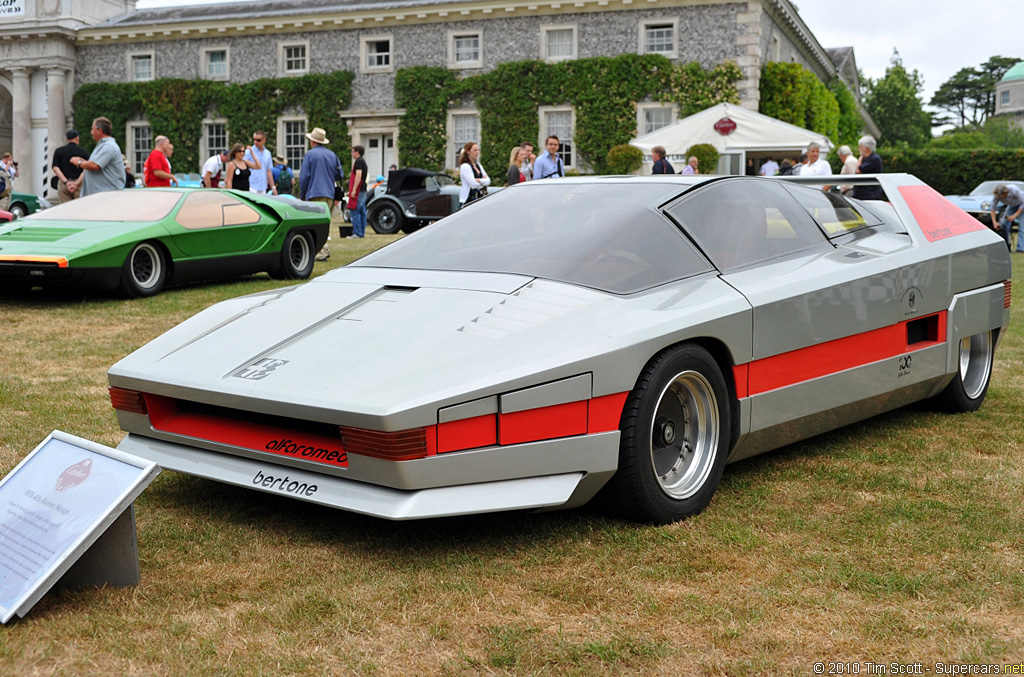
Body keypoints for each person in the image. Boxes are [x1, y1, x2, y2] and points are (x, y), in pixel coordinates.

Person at [298, 127, 344, 259]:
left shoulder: (310, 155)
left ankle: (321, 252)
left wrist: (302, 194)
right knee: (324, 223)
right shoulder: (332, 155)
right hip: (329, 193)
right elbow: (339, 174)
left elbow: (304, 177)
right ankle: (324, 249)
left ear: (313, 141)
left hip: (314, 192)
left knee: (314, 223)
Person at [72, 117, 125, 197]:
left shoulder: (109, 146)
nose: (91, 132)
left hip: (106, 196)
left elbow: (95, 166)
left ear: (100, 131)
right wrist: (85, 162)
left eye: (93, 129)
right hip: (101, 195)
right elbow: (93, 164)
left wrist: (78, 162)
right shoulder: (103, 146)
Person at [52, 130, 90, 203]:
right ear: (77, 138)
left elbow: (55, 168)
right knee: (80, 207)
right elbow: (87, 169)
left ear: (67, 139)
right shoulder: (83, 151)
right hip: (79, 183)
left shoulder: (59, 151)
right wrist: (76, 183)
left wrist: (66, 182)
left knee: (64, 208)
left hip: (64, 184)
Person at [990, 184, 1024, 252]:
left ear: (1005, 192)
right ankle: (1007, 246)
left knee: (1022, 227)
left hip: (1022, 206)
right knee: (1003, 224)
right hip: (1011, 207)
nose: (1000, 198)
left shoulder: (1014, 190)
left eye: (1001, 196)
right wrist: (994, 222)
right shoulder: (996, 196)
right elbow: (993, 208)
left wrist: (1015, 215)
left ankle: (1020, 249)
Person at [458, 141, 490, 206]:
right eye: (475, 150)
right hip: (468, 199)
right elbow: (473, 184)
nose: (477, 152)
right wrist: (483, 182)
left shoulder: (478, 166)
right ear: (468, 152)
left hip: (479, 198)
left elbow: (488, 181)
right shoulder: (465, 166)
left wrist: (480, 180)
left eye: (478, 150)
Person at [853, 135, 884, 201]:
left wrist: (860, 158)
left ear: (866, 148)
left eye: (860, 147)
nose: (859, 149)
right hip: (861, 194)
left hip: (870, 195)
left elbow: (859, 170)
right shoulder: (865, 159)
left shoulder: (874, 159)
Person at [347, 144, 368, 239]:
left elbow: (358, 175)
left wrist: (354, 189)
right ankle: (362, 232)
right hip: (363, 189)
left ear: (357, 152)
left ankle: (357, 232)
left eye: (352, 151)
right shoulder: (363, 161)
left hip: (359, 189)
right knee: (362, 210)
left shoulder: (358, 162)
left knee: (355, 210)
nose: (352, 153)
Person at [244, 130, 275, 195]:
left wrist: (273, 187)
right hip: (251, 185)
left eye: (258, 140)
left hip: (263, 187)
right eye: (254, 140)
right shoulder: (249, 151)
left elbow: (268, 171)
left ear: (264, 140)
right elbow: (243, 166)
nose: (255, 142)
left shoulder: (267, 153)